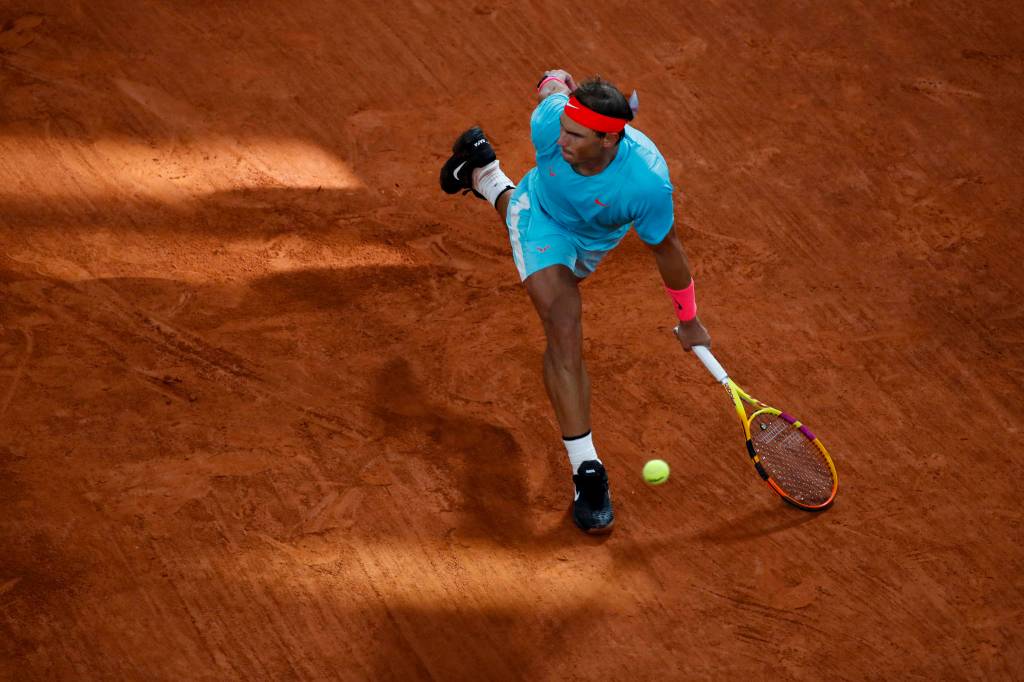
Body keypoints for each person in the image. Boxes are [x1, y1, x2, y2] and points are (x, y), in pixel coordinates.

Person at [439, 68, 712, 534]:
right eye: (563, 128)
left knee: (553, 262)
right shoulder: (551, 122)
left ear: (609, 139)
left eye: (576, 136)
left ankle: (484, 174)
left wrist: (689, 320)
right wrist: (555, 83)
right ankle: (587, 469)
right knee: (563, 323)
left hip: (593, 238)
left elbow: (667, 250)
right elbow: (552, 93)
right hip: (540, 216)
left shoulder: (646, 183)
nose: (561, 140)